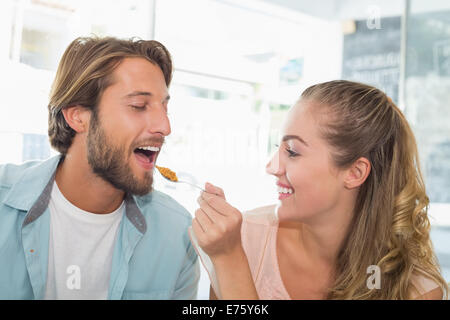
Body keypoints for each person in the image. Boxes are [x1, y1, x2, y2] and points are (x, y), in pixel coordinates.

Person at [190, 80, 449, 300]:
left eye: (292, 151)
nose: (271, 167)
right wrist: (228, 256)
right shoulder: (244, 239)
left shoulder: (414, 288)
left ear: (355, 173)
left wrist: (231, 261)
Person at [0, 36, 199, 299]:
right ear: (78, 116)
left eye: (165, 106)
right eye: (139, 106)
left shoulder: (177, 232)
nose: (165, 127)